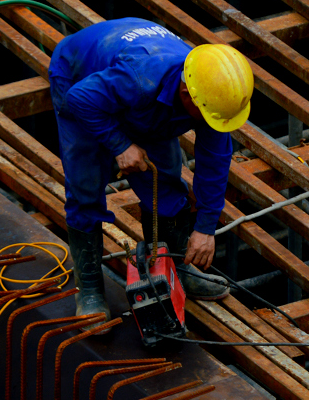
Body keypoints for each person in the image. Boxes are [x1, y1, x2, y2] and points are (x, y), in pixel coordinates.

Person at [49, 18, 254, 324]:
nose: (212, 124)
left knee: (166, 186)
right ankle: (90, 289)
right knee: (85, 186)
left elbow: (215, 161)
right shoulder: (140, 78)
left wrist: (206, 227)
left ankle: (176, 267)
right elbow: (82, 98)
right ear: (186, 94)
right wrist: (119, 145)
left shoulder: (213, 94)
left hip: (140, 97)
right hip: (80, 79)